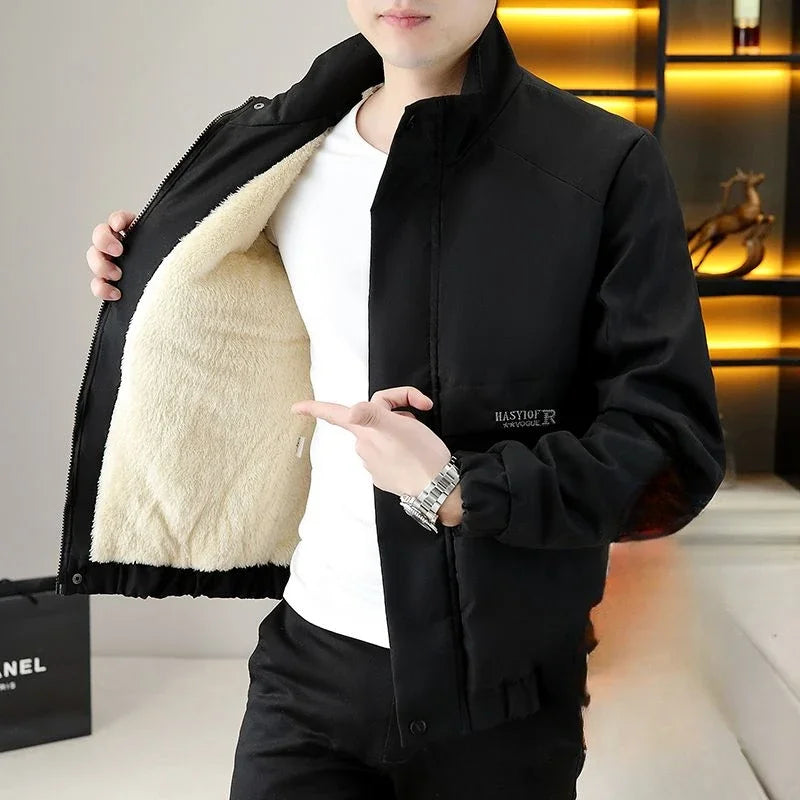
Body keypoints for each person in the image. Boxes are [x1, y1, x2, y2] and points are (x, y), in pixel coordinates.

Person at [81, 1, 725, 798]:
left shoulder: (603, 164)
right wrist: (146, 264)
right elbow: (230, 305)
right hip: (309, 659)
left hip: (502, 691)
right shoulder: (275, 149)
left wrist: (459, 491)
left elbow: (670, 448)